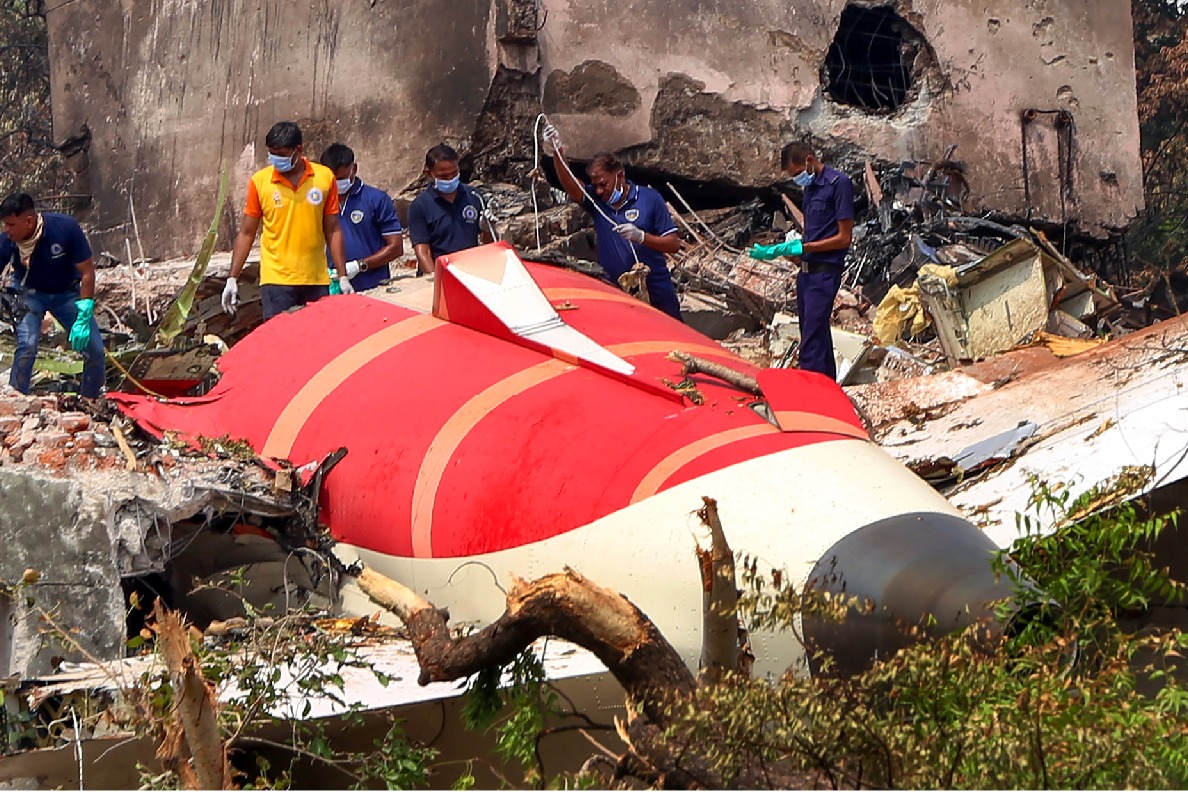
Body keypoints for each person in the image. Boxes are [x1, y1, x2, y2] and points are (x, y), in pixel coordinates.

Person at [544, 126, 684, 320]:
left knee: (670, 335)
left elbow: (673, 244)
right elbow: (570, 183)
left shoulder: (649, 198)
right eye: (596, 186)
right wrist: (557, 151)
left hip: (656, 290)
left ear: (620, 176)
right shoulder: (597, 202)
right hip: (617, 292)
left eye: (604, 184)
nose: (599, 191)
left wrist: (641, 237)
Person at [222, 121, 349, 320]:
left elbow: (333, 230)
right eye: (272, 153)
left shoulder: (324, 178)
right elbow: (246, 233)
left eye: (282, 154)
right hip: (276, 281)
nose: (276, 159)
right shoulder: (260, 182)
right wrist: (232, 278)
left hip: (315, 279)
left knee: (316, 336)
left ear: (298, 150)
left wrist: (342, 276)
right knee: (278, 337)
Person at [749, 141, 854, 380]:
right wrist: (785, 249)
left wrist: (803, 247)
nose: (797, 179)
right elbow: (813, 232)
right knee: (816, 334)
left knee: (811, 343)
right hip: (806, 273)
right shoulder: (810, 189)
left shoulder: (838, 184)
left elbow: (844, 238)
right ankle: (828, 388)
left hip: (825, 272)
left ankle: (810, 392)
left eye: (797, 173)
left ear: (809, 160)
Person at [0, 192, 105, 398]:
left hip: (66, 293)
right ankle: (17, 398)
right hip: (28, 294)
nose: (6, 229)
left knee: (95, 349)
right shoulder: (7, 242)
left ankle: (90, 399)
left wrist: (84, 313)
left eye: (11, 224)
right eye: (4, 224)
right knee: (27, 345)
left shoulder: (65, 228)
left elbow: (87, 272)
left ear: (29, 221)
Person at [319, 143, 404, 292]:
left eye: (341, 178)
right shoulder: (319, 201)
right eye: (332, 179)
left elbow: (396, 247)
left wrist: (359, 266)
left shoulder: (377, 200)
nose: (337, 184)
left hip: (373, 286)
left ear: (354, 169)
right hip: (332, 286)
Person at [406, 144, 492, 276]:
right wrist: (434, 279)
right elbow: (423, 251)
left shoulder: (474, 197)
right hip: (439, 273)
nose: (450, 179)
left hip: (470, 272)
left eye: (454, 173)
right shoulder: (420, 206)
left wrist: (487, 228)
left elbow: (488, 244)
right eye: (444, 176)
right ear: (429, 174)